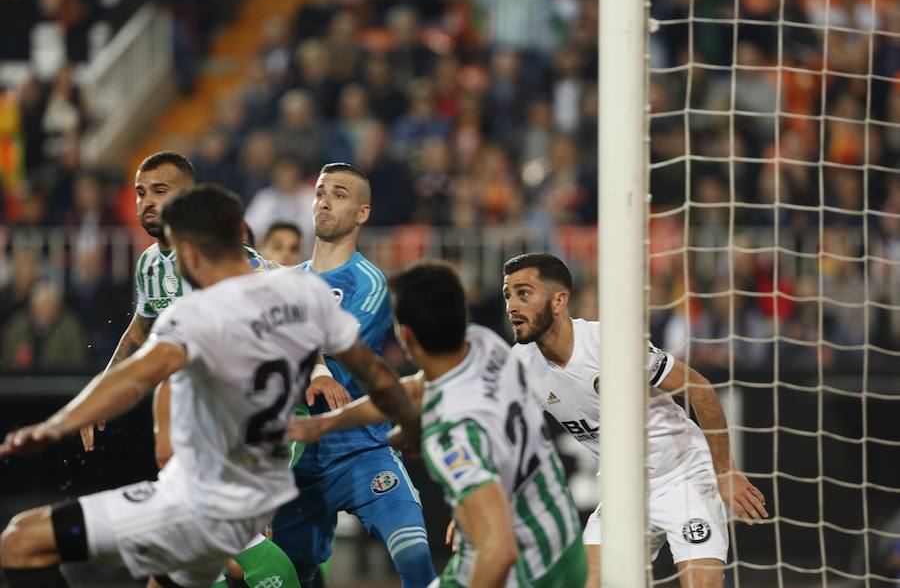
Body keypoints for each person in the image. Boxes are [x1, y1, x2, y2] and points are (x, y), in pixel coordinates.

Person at [0, 185, 419, 588]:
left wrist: (55, 425)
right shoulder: (304, 295)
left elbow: (137, 377)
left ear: (191, 251)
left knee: (20, 541)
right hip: (250, 483)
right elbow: (377, 375)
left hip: (192, 500)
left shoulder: (195, 314)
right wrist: (411, 427)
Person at [77, 151, 306, 588]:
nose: (146, 201)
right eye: (141, 192)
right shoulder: (149, 264)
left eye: (160, 191)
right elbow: (138, 332)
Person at [286, 261, 588, 587]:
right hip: (565, 543)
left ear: (405, 336)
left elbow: (498, 552)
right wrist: (323, 425)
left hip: (525, 572)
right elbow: (416, 389)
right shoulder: (486, 346)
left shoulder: (450, 438)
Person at [501, 253, 769, 588]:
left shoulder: (609, 344)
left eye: (523, 293)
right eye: (508, 295)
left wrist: (724, 471)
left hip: (683, 477)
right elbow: (508, 438)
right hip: (623, 491)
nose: (512, 305)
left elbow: (700, 390)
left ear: (558, 301)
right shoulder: (520, 365)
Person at [271, 163, 436, 588]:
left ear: (362, 213)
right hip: (299, 459)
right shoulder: (287, 283)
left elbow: (328, 341)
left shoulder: (369, 282)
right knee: (292, 576)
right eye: (321, 191)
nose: (325, 199)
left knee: (416, 555)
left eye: (339, 194)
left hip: (362, 451)